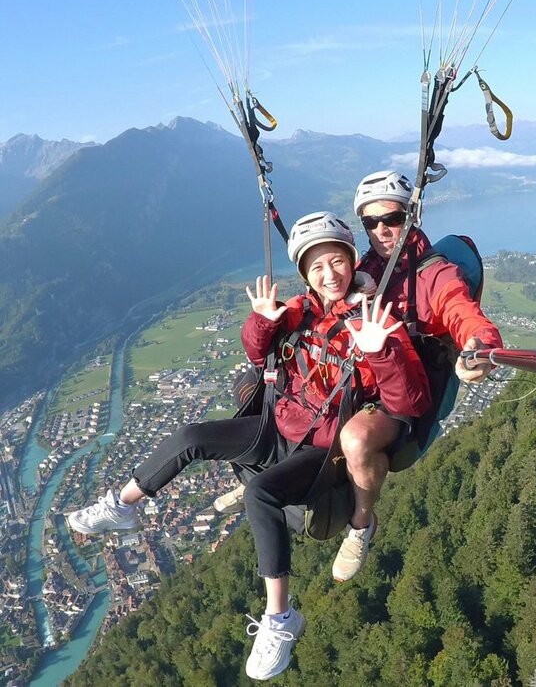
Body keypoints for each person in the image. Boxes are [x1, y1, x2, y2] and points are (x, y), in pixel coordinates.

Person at [66, 211, 431, 682]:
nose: (329, 275)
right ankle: (123, 505)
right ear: (306, 275)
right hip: (275, 427)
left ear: (350, 260)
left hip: (321, 450)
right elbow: (258, 355)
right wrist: (261, 323)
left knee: (262, 493)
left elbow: (410, 402)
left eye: (336, 262)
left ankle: (280, 617)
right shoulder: (302, 309)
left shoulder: (376, 318)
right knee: (190, 438)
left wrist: (380, 348)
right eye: (317, 268)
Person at [328, 170, 503, 583]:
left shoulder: (433, 274)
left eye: (392, 218)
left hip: (409, 390)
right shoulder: (364, 270)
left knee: (354, 438)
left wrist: (480, 345)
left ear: (412, 215)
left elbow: (461, 311)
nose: (383, 230)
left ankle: (361, 524)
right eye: (371, 222)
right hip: (369, 377)